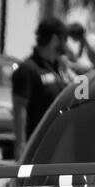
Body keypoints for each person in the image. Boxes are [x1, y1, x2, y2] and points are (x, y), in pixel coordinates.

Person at [12, 17, 71, 154]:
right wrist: (21, 147)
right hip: (37, 149)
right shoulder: (28, 69)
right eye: (64, 39)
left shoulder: (59, 69)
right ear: (55, 39)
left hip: (59, 146)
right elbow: (19, 110)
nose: (66, 45)